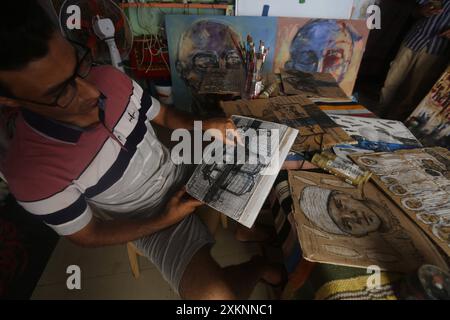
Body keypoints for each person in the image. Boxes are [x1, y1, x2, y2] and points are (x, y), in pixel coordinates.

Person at [0, 1, 284, 300]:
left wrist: (205, 124)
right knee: (214, 301)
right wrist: (164, 219)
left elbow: (164, 116)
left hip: (181, 172)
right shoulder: (30, 173)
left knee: (265, 153)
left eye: (78, 65)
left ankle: (245, 229)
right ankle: (257, 266)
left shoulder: (108, 78)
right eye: (60, 92)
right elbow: (89, 234)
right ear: (9, 101)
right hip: (149, 219)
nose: (93, 92)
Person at [378, 0, 450, 121]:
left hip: (437, 49)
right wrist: (422, 11)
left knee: (415, 91)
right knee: (391, 81)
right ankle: (379, 112)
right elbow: (414, 11)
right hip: (414, 39)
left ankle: (396, 121)